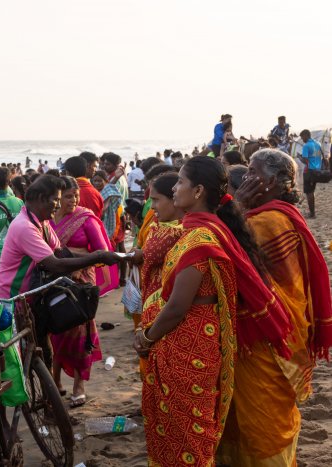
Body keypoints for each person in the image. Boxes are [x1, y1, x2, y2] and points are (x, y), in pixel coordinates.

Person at [134, 156, 292, 467]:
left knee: (188, 440)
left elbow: (179, 306)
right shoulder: (202, 230)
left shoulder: (200, 239)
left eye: (180, 181)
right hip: (185, 345)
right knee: (182, 432)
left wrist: (147, 336)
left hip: (187, 349)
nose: (175, 187)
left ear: (198, 192)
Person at [219, 149, 332, 466]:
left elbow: (222, 253)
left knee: (264, 422)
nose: (246, 178)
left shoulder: (267, 221)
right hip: (278, 330)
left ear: (271, 182)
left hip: (264, 334)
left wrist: (236, 206)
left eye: (253, 172)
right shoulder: (279, 214)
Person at [0, 175, 122, 363]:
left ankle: (46, 390)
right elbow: (54, 263)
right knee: (18, 360)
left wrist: (98, 257)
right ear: (40, 198)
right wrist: (97, 256)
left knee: (44, 351)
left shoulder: (43, 223)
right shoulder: (24, 226)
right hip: (13, 300)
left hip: (32, 299)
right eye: (55, 199)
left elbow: (62, 253)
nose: (57, 205)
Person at [49, 176, 114, 406]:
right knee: (54, 332)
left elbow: (102, 252)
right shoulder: (47, 219)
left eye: (75, 195)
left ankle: (79, 384)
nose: (73, 200)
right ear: (57, 198)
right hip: (54, 281)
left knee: (79, 333)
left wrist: (70, 256)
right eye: (67, 196)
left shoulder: (85, 218)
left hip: (81, 283)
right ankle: (54, 380)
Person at [128, 173, 184, 367]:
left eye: (156, 200)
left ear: (175, 199)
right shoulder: (161, 226)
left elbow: (147, 255)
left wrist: (137, 255)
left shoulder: (175, 232)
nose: (151, 207)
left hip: (166, 310)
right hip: (154, 303)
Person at [299, 129, 325, 218]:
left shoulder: (306, 146)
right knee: (312, 191)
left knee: (309, 193)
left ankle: (312, 214)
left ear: (306, 135)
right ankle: (312, 212)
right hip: (317, 171)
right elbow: (320, 157)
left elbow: (305, 161)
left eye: (302, 137)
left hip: (308, 171)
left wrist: (299, 157)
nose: (302, 139)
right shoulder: (318, 144)